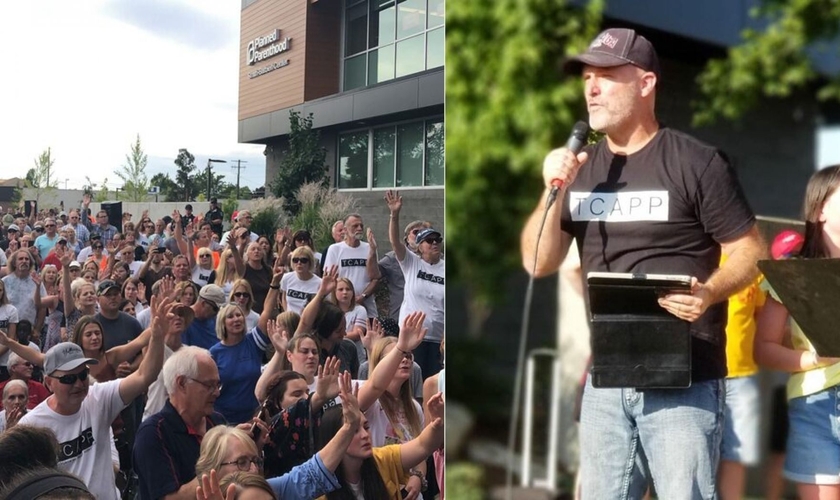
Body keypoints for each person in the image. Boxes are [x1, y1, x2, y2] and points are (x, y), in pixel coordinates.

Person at [520, 28, 764, 499]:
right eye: (587, 76)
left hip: (684, 378)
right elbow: (537, 262)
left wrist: (710, 292)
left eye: (607, 75)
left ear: (646, 83)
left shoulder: (696, 163)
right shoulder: (582, 170)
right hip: (606, 379)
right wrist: (552, 189)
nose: (591, 87)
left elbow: (751, 249)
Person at [18, 298, 168, 500]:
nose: (79, 384)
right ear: (48, 383)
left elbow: (144, 376)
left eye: (82, 375)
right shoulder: (32, 425)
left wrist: (157, 336)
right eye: (69, 378)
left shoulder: (98, 397)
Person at [754, 166, 840, 500]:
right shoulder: (791, 273)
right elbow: (764, 348)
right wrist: (813, 359)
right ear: (820, 210)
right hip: (814, 405)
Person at [315, 384, 444, 500]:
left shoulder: (382, 458)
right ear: (334, 438)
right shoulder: (318, 489)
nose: (365, 435)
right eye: (354, 431)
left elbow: (422, 445)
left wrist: (438, 422)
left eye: (366, 427)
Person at [132, 346, 229, 499]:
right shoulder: (153, 433)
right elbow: (170, 498)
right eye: (209, 385)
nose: (217, 392)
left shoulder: (216, 421)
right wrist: (224, 465)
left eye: (218, 385)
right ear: (182, 383)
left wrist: (246, 449)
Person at [718, 252, 766, 500]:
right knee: (692, 452)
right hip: (701, 374)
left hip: (742, 375)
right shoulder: (702, 255)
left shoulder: (753, 268)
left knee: (738, 456)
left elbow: (758, 316)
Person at [385, 191, 445, 379]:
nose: (434, 243)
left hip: (439, 340)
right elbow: (395, 242)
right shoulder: (412, 263)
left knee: (435, 386)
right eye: (429, 241)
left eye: (437, 240)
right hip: (412, 338)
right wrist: (394, 215)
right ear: (419, 246)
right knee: (411, 383)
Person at [764, 229, 802, 500]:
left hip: (817, 384)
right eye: (788, 256)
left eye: (798, 254)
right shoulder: (775, 290)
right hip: (786, 386)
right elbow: (770, 341)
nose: (793, 260)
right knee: (780, 450)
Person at [324, 214, 381, 318]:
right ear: (345, 230)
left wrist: (362, 297)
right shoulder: (335, 249)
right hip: (340, 308)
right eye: (355, 226)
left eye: (361, 226)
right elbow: (330, 279)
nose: (359, 229)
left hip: (366, 307)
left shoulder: (369, 247)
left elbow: (375, 279)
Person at [378, 219, 431, 323]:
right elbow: (374, 274)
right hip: (401, 317)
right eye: (416, 232)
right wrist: (371, 252)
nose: (420, 235)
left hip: (429, 319)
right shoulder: (393, 258)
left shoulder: (439, 261)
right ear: (406, 239)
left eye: (425, 233)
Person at [280, 246, 322, 315]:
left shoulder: (319, 283)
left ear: (310, 262)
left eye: (303, 260)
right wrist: (287, 314)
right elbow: (284, 298)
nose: (299, 263)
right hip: (290, 321)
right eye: (295, 260)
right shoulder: (286, 278)